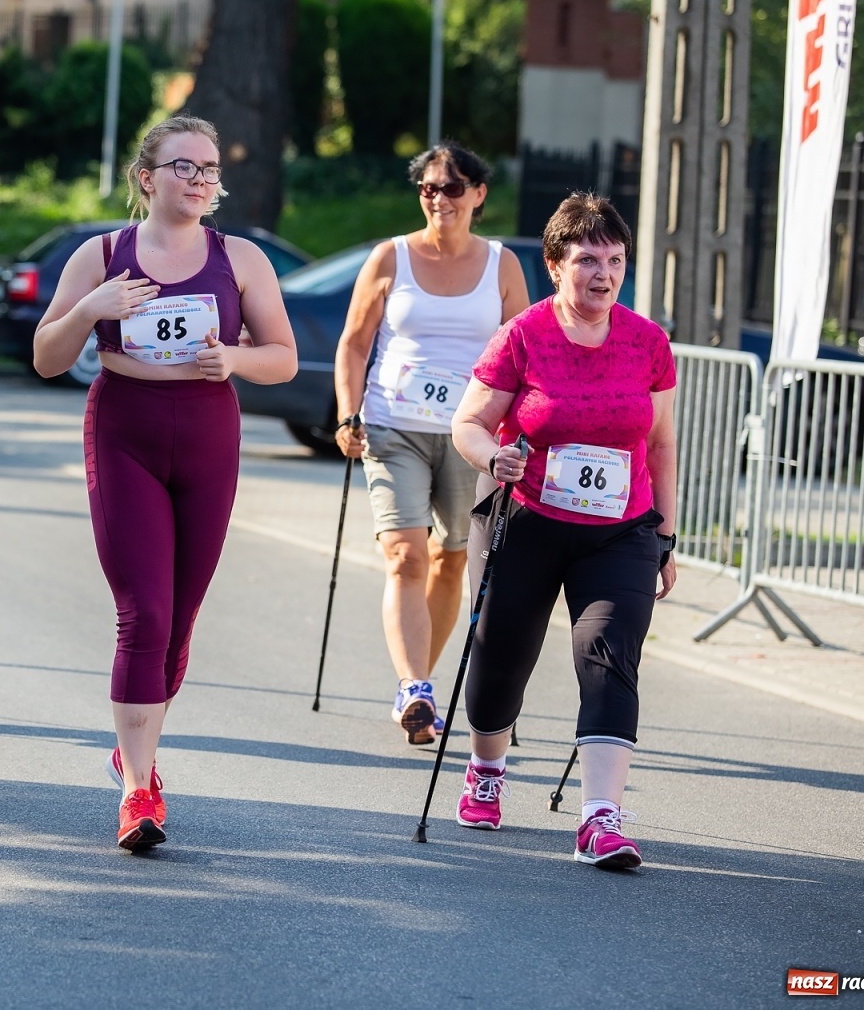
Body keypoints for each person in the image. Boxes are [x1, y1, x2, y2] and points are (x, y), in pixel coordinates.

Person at [32, 115, 297, 850]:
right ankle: (138, 791)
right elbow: (47, 357)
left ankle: (134, 745)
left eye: (211, 169)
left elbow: (282, 355)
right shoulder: (103, 254)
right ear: (148, 178)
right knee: (143, 611)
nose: (202, 181)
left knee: (179, 622)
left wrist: (236, 362)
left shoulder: (239, 258)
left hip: (209, 433)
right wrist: (90, 309)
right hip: (126, 428)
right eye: (186, 167)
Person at [449, 193, 677, 870]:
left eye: (613, 260)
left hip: (620, 530)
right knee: (500, 655)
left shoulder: (648, 342)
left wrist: (667, 535)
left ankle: (599, 819)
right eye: (586, 260)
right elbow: (468, 422)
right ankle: (488, 767)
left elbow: (662, 446)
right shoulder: (523, 335)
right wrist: (495, 456)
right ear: (555, 265)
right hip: (527, 519)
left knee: (609, 654)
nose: (602, 274)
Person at [333, 143, 529, 746]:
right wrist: (347, 414)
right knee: (406, 555)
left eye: (452, 187)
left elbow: (525, 357)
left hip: (471, 435)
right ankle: (414, 686)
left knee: (452, 560)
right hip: (394, 426)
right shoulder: (390, 258)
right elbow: (354, 343)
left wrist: (520, 433)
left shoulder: (502, 266)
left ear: (478, 194)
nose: (438, 198)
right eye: (428, 188)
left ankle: (422, 679)